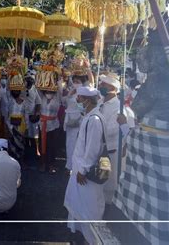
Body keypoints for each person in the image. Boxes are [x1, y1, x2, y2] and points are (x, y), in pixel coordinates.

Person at [64, 86, 105, 245]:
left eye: (79, 98)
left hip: (85, 173)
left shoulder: (94, 120)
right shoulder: (89, 117)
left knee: (89, 209)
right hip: (79, 170)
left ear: (87, 100)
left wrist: (83, 170)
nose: (77, 101)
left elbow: (92, 150)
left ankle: (92, 240)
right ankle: (82, 238)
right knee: (79, 206)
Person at [97, 73, 123, 204]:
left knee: (108, 181)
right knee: (97, 179)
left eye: (104, 84)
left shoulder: (119, 107)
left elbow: (111, 131)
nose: (100, 86)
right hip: (97, 147)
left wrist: (95, 126)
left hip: (109, 151)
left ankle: (108, 207)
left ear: (112, 87)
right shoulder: (100, 102)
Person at [38, 81, 63, 173]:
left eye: (50, 91)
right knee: (42, 145)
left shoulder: (57, 98)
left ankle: (51, 164)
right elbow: (38, 87)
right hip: (42, 125)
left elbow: (60, 88)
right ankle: (43, 163)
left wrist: (57, 77)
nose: (48, 93)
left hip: (53, 125)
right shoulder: (41, 97)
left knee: (52, 146)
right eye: (47, 91)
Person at [22, 71, 41, 158]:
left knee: (34, 136)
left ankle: (35, 153)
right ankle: (25, 155)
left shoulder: (34, 89)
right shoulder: (21, 89)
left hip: (32, 116)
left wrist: (36, 114)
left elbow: (38, 103)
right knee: (24, 136)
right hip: (23, 116)